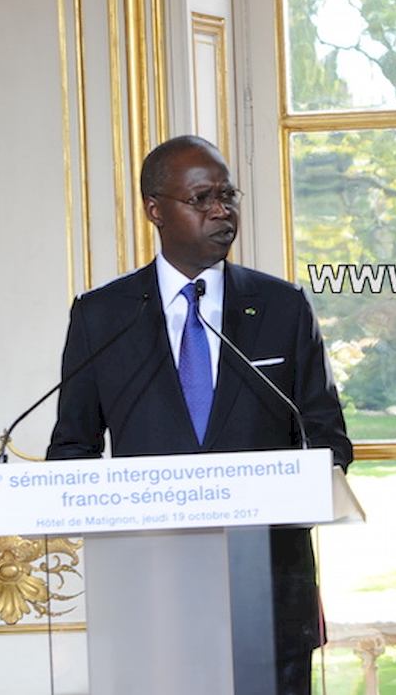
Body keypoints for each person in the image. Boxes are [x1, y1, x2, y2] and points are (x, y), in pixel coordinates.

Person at [47, 135, 351, 695]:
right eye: (201, 198)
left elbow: (327, 440)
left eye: (227, 195)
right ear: (155, 210)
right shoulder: (101, 317)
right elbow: (72, 448)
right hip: (150, 592)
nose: (221, 210)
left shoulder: (283, 307)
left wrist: (280, 491)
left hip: (267, 588)